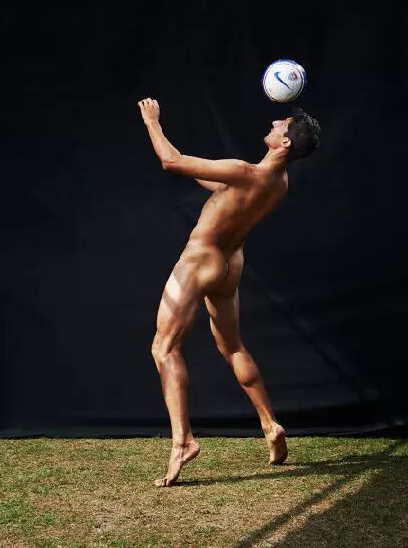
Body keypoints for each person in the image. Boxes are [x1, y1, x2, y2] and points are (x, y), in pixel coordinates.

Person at [138, 97, 322, 487]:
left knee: (163, 348)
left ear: (285, 142)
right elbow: (224, 190)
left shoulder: (245, 171)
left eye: (282, 123)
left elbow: (171, 162)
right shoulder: (278, 183)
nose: (275, 122)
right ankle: (270, 424)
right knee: (233, 346)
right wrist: (196, 167)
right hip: (230, 264)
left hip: (201, 258)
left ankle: (183, 441)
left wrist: (152, 121)